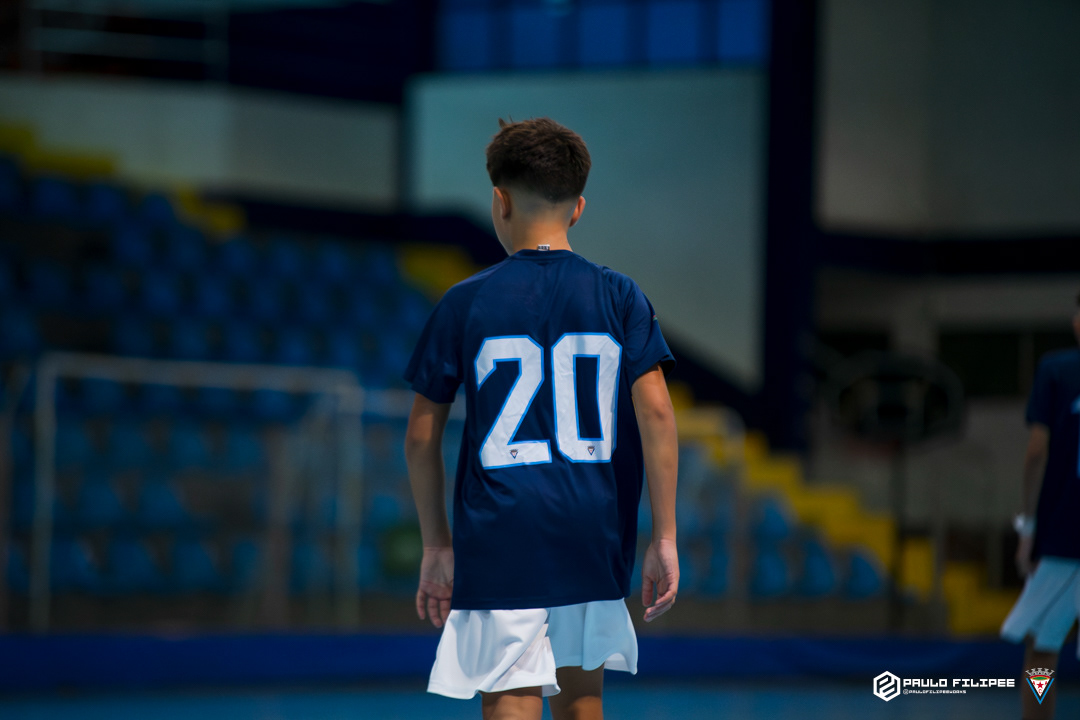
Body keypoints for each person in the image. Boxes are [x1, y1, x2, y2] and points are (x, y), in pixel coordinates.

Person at [403, 117, 679, 720]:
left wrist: (436, 543)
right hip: (592, 525)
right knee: (583, 699)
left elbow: (422, 436)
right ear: (578, 209)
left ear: (499, 201)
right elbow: (658, 411)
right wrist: (664, 536)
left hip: (501, 529)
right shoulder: (620, 295)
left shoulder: (464, 301)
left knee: (511, 697)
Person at [1000, 293, 1080, 720]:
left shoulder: (1057, 369)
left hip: (1065, 536)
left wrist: (1028, 525)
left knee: (1043, 650)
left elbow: (1036, 451)